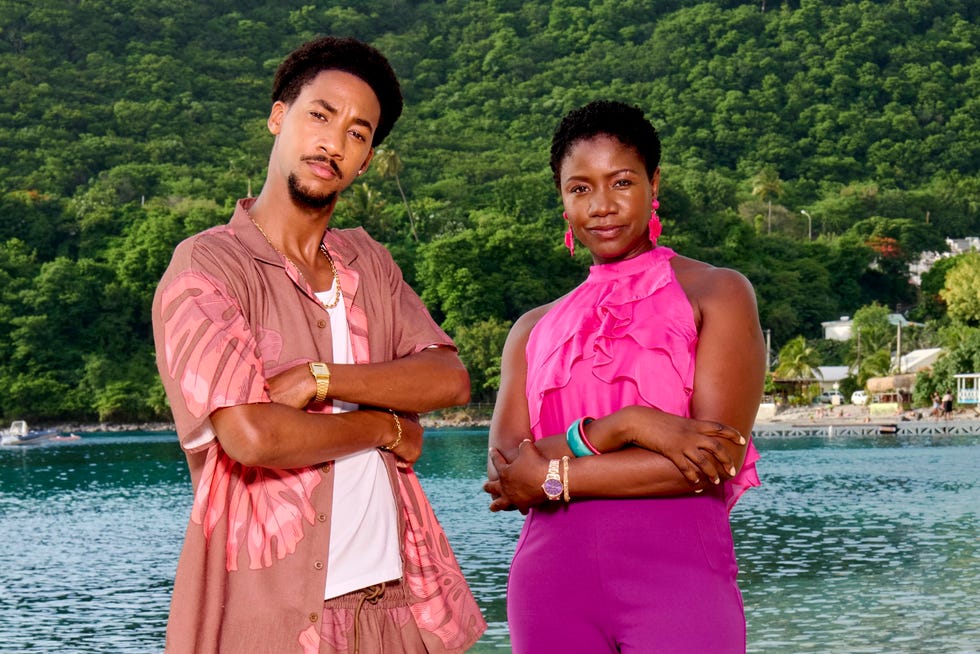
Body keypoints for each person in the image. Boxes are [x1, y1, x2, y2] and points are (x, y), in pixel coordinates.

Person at [152, 36, 485, 653]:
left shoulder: (369, 262)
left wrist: (321, 377)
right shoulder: (209, 266)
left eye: (359, 134)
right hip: (273, 614)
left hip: (392, 603)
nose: (334, 142)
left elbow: (448, 377)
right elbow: (252, 436)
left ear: (365, 161)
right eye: (320, 115)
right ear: (279, 116)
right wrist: (385, 428)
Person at [485, 100, 766, 653]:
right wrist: (626, 427)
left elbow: (713, 461)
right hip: (549, 587)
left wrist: (556, 477)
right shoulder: (532, 328)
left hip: (679, 580)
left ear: (653, 182)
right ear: (562, 200)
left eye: (621, 182)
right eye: (580, 189)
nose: (602, 207)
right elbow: (507, 471)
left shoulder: (717, 294)